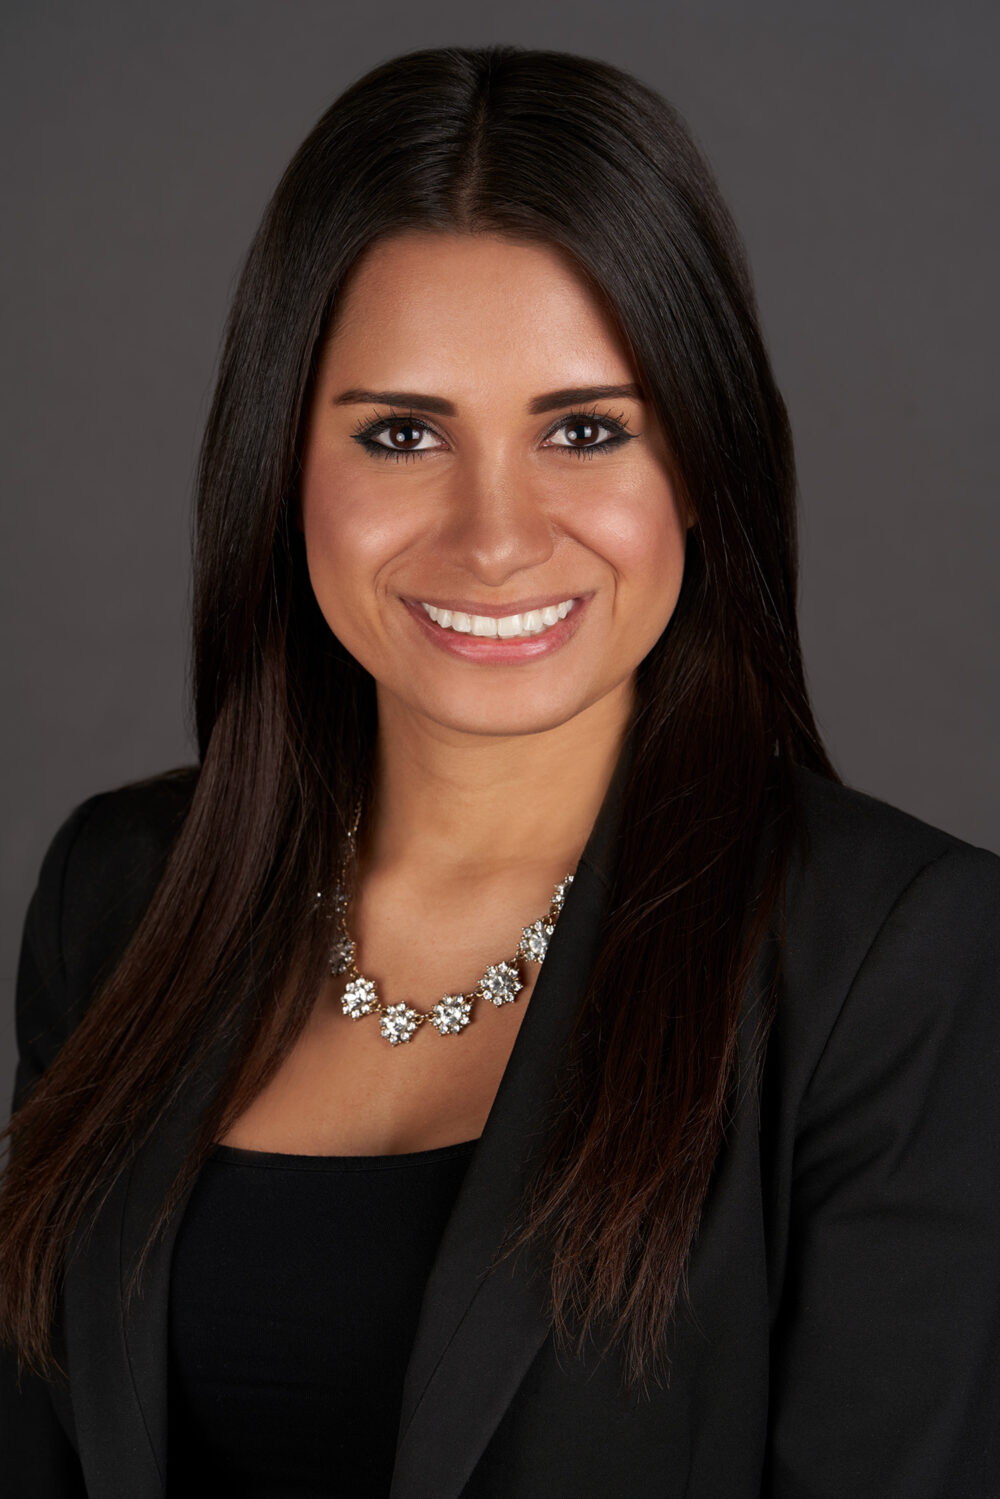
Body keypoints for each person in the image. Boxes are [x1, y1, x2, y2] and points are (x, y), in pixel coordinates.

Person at [1, 41, 998, 1499]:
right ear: (283, 467)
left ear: (704, 466)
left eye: (585, 431)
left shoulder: (897, 965)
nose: (496, 535)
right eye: (403, 434)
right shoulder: (121, 897)